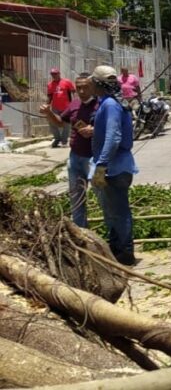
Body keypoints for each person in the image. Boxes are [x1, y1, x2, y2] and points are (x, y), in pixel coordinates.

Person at [88, 65, 138, 266]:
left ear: (98, 84)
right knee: (113, 211)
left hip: (114, 168)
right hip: (119, 166)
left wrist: (101, 165)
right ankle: (116, 248)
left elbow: (113, 137)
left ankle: (125, 253)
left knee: (118, 211)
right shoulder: (113, 103)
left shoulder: (109, 105)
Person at [39, 73, 98, 228]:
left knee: (102, 196)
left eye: (86, 87)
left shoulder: (102, 105)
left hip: (94, 159)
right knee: (76, 198)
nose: (82, 91)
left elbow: (112, 128)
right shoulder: (74, 105)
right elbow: (60, 123)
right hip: (75, 158)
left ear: (92, 87)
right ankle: (80, 231)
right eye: (79, 88)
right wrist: (49, 113)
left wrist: (94, 130)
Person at [45, 68, 74, 147]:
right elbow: (49, 96)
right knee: (52, 123)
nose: (54, 75)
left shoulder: (67, 82)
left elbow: (73, 92)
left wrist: (74, 103)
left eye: (55, 74)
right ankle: (57, 138)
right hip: (55, 107)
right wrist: (46, 105)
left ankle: (64, 141)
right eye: (52, 74)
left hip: (66, 107)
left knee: (66, 125)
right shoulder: (50, 85)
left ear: (59, 74)